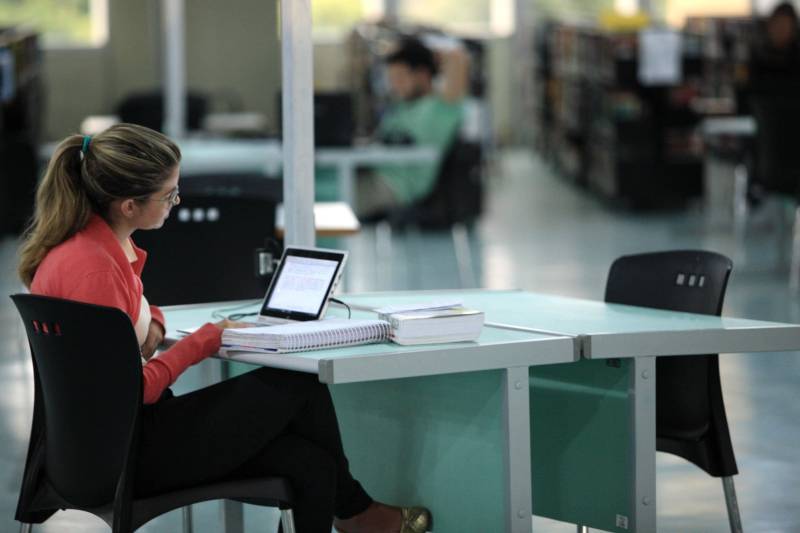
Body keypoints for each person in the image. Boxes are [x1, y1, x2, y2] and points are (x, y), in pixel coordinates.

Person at [17, 123, 431, 533]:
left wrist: (155, 319)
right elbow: (137, 390)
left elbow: (129, 311)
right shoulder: (95, 271)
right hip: (126, 456)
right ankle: (357, 512)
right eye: (169, 195)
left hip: (90, 451)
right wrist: (202, 342)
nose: (176, 203)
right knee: (297, 386)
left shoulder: (81, 249)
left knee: (310, 465)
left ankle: (355, 513)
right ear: (128, 205)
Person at [357, 37, 470, 217]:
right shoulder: (401, 107)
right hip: (373, 174)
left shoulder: (443, 107)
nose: (395, 85)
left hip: (398, 187)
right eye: (392, 79)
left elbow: (457, 55)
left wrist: (426, 51)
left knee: (328, 197)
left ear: (422, 75)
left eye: (400, 77)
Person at [747, 2, 800, 197]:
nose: (781, 32)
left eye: (786, 27)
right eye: (777, 26)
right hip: (766, 142)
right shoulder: (759, 56)